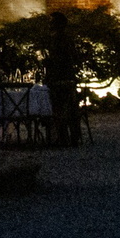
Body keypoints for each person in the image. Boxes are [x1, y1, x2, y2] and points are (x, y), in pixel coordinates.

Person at [44, 9, 82, 148]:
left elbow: (63, 59)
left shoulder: (60, 39)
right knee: (67, 109)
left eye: (51, 22)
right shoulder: (62, 38)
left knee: (62, 109)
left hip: (61, 78)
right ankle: (68, 137)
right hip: (64, 78)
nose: (49, 24)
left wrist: (49, 63)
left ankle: (64, 138)